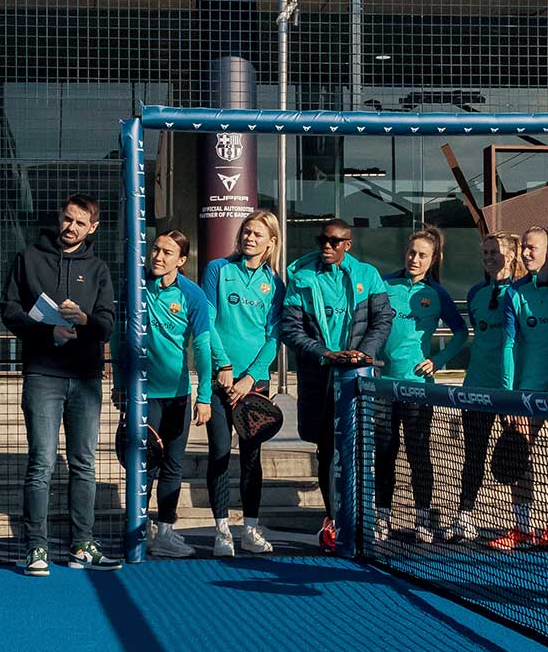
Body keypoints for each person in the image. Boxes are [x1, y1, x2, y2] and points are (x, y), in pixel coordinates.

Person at [1, 194, 119, 575]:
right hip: (43, 375)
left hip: (85, 377)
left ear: (92, 228)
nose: (71, 227)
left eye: (80, 223)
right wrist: (45, 330)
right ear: (60, 217)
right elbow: (9, 310)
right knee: (42, 463)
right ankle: (37, 547)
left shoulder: (98, 268)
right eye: (68, 219)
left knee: (84, 463)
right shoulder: (29, 257)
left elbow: (107, 322)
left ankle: (82, 545)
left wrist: (85, 320)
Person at [281, 218, 392, 552]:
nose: (326, 247)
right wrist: (326, 354)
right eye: (322, 240)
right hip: (320, 377)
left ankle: (367, 517)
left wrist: (362, 354)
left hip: (359, 380)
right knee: (327, 450)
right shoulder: (302, 278)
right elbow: (290, 328)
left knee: (366, 448)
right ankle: (332, 519)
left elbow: (382, 319)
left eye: (333, 241)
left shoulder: (368, 276)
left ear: (348, 244)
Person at [113, 228, 214, 559]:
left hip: (179, 395)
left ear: (181, 260)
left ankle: (165, 533)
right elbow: (118, 337)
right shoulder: (135, 287)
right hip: (143, 395)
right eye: (156, 250)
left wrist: (205, 395)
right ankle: (137, 531)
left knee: (173, 465)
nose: (158, 257)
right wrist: (118, 382)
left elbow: (202, 347)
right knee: (145, 467)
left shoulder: (193, 295)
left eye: (167, 253)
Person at [196, 211, 285, 557]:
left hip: (255, 385)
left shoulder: (274, 284)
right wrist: (226, 367)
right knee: (219, 452)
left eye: (257, 234)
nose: (249, 237)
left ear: (271, 241)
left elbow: (273, 335)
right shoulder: (219, 269)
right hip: (221, 380)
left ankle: (250, 529)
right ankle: (222, 531)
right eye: (246, 231)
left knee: (251, 459)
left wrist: (250, 377)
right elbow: (207, 320)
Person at [373, 228, 467, 543]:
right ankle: (381, 519)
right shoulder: (384, 284)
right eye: (412, 252)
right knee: (385, 452)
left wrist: (437, 363)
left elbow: (460, 333)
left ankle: (423, 520)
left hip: (418, 388)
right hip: (383, 386)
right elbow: (368, 324)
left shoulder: (436, 294)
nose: (415, 259)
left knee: (418, 454)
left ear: (433, 259)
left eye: (422, 255)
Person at [440, 232, 523, 542]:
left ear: (512, 256)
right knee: (473, 455)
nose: (489, 257)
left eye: (496, 252)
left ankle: (522, 524)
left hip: (512, 392)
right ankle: (465, 517)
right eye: (486, 252)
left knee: (519, 459)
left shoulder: (519, 293)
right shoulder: (475, 293)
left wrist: (512, 391)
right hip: (476, 387)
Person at [489, 225, 548, 552]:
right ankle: (522, 526)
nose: (526, 254)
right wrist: (508, 394)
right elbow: (508, 345)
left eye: (533, 248)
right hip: (528, 391)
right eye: (525, 248)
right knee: (520, 455)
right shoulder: (514, 294)